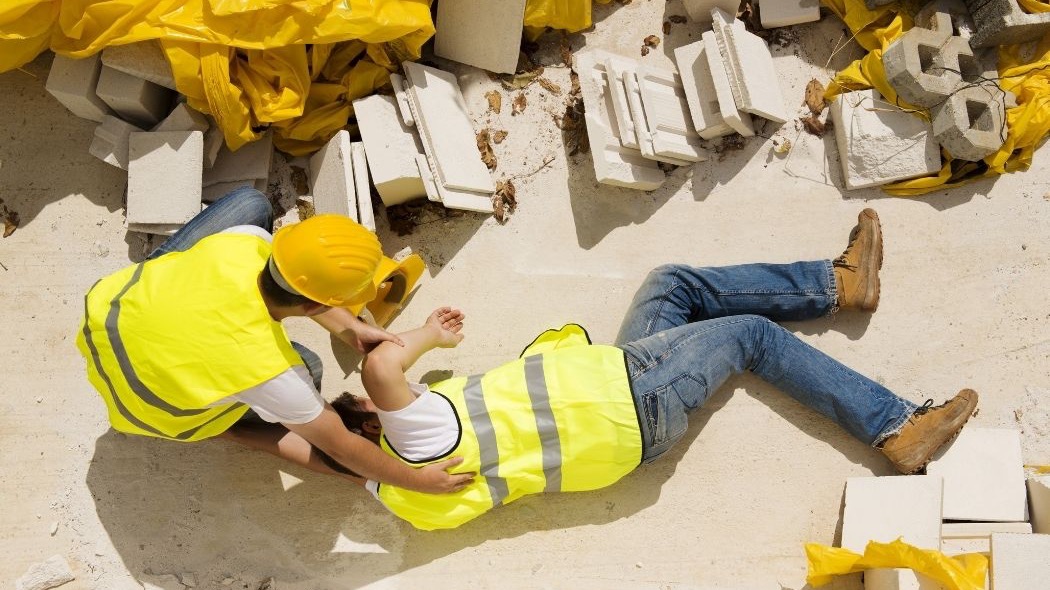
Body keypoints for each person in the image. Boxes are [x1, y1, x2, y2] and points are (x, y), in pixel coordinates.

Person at [332, 209, 978, 530]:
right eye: (371, 408)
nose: (400, 394)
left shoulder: (405, 498)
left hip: (620, 405)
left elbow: (328, 453)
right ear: (371, 426)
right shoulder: (418, 437)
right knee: (752, 336)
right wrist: (427, 335)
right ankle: (896, 427)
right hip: (630, 395)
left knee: (672, 285)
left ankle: (840, 284)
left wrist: (301, 437)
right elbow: (383, 364)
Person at [76, 187, 474, 494]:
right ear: (319, 304)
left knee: (250, 203)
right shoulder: (275, 373)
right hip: (149, 410)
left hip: (107, 317)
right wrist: (416, 481)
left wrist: (349, 327)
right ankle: (221, 426)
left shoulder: (245, 242)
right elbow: (340, 448)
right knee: (312, 370)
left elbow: (300, 289)